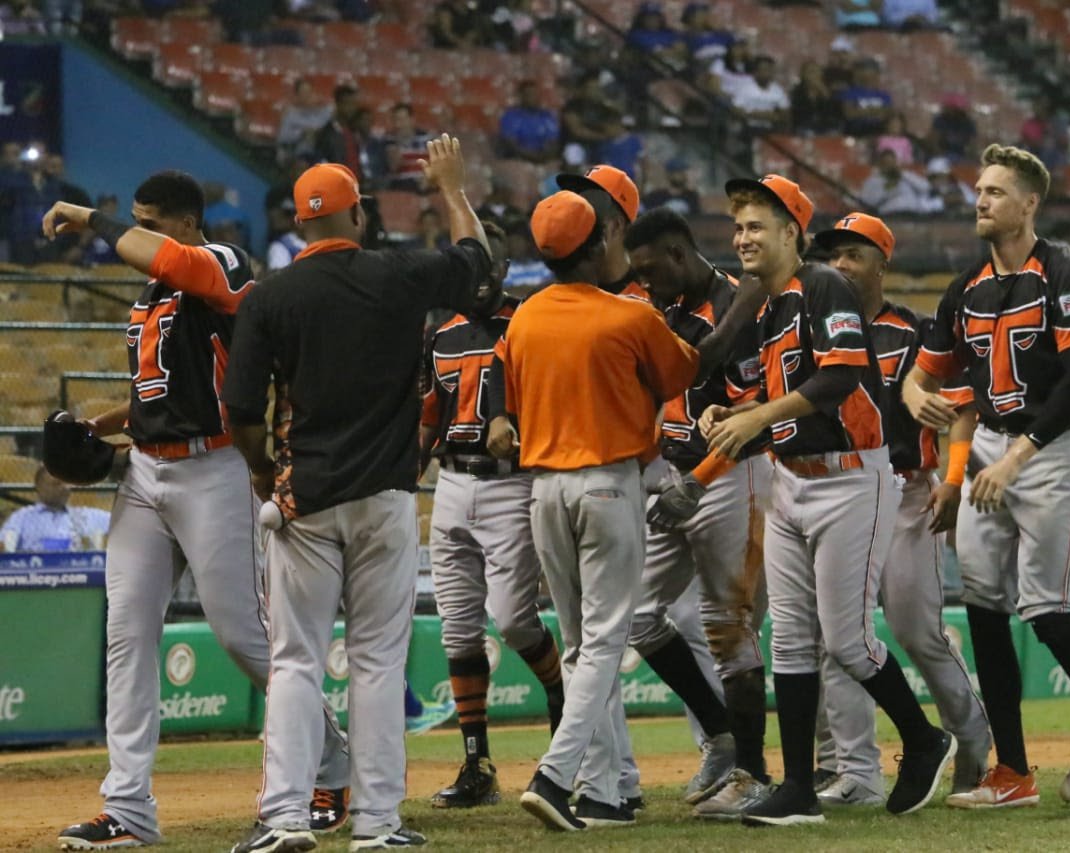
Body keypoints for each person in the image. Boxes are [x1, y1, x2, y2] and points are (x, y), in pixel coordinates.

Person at [43, 171, 351, 849]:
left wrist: (92, 218)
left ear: (185, 223)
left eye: (149, 221)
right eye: (134, 219)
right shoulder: (153, 294)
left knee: (245, 635)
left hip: (215, 468)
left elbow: (179, 267)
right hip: (145, 471)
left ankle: (332, 758)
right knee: (127, 633)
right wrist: (99, 426)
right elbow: (159, 390)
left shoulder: (221, 261)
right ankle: (127, 805)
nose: (137, 232)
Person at [220, 141, 490, 851]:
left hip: (304, 497)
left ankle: (283, 816)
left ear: (300, 224)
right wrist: (452, 189)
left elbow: (241, 408)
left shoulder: (270, 294)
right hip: (386, 496)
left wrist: (260, 470)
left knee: (294, 662)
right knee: (376, 662)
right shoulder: (398, 273)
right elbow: (478, 264)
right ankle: (377, 823)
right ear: (359, 216)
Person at [502, 190, 765, 831]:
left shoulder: (524, 319)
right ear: (598, 246)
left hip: (544, 490)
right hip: (607, 484)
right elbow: (689, 369)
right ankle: (556, 776)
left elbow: (512, 403)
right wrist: (748, 302)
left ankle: (604, 793)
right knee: (604, 642)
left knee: (577, 643)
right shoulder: (628, 315)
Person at [701, 175, 955, 825]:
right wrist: (735, 413)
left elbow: (839, 376)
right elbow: (788, 403)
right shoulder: (771, 306)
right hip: (792, 478)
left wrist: (756, 418)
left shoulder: (823, 284)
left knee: (847, 641)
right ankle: (798, 789)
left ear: (792, 231)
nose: (743, 237)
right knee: (789, 639)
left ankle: (924, 738)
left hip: (850, 479)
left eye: (756, 225)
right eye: (738, 227)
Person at [902, 143, 1070, 808]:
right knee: (982, 604)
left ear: (1030, 203)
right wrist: (916, 396)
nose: (981, 199)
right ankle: (1013, 771)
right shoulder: (966, 286)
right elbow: (925, 372)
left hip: (1053, 448)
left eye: (996, 191)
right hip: (989, 447)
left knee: (1045, 605)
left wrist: (1014, 457)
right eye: (979, 189)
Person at [808, 212, 991, 803]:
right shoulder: (812, 329)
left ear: (882, 263)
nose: (840, 265)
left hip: (908, 490)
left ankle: (974, 742)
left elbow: (961, 406)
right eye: (832, 255)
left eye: (853, 254)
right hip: (839, 491)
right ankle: (856, 772)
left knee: (918, 632)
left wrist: (953, 481)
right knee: (840, 636)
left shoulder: (914, 333)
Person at [621, 207, 773, 819]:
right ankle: (721, 734)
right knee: (635, 614)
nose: (644, 282)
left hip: (732, 477)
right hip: (673, 476)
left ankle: (754, 774)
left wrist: (699, 479)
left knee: (730, 627)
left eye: (650, 270)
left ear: (680, 255)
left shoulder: (739, 306)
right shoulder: (661, 309)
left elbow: (751, 413)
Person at [420, 220, 566, 809]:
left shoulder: (530, 321)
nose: (482, 277)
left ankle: (563, 700)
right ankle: (477, 764)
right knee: (457, 629)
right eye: (473, 265)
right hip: (451, 481)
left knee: (513, 620)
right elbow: (429, 417)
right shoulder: (441, 334)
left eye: (491, 265)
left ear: (506, 269)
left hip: (514, 482)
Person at [0, 464, 110, 552]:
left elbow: (117, 522)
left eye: (66, 483)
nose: (64, 488)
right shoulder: (22, 517)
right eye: (56, 484)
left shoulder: (86, 516)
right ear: (39, 487)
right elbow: (4, 543)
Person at [497, 81, 560, 164]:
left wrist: (543, 157)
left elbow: (553, 142)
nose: (533, 98)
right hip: (518, 161)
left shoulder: (547, 116)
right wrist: (532, 157)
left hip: (543, 160)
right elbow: (511, 144)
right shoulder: (511, 116)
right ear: (521, 96)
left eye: (536, 94)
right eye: (529, 95)